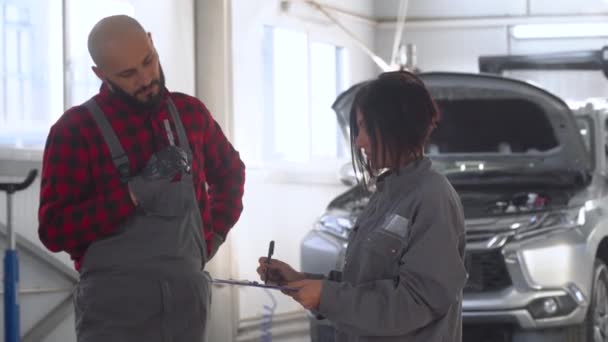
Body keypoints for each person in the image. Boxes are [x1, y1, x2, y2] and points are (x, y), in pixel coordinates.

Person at [37, 15, 245, 342]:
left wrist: (210, 239)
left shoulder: (191, 115)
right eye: (128, 74)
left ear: (151, 41)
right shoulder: (75, 131)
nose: (146, 78)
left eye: (148, 61)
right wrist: (131, 194)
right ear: (100, 74)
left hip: (186, 304)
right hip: (114, 309)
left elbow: (231, 173)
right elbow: (53, 229)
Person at [257, 71, 467, 342]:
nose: (359, 142)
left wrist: (327, 296)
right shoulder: (385, 195)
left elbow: (414, 304)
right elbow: (365, 282)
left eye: (365, 127)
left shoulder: (432, 198)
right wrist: (302, 280)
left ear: (394, 126)